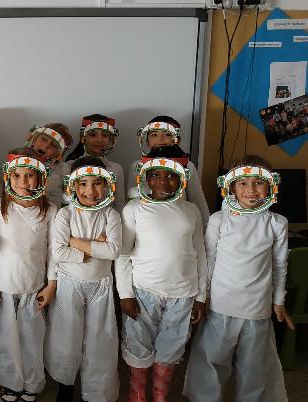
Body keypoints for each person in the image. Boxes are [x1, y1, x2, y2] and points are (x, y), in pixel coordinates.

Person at [183, 155, 291, 402]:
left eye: (258, 182)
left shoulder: (276, 223)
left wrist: (278, 300)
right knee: (211, 359)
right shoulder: (219, 220)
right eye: (243, 183)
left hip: (257, 308)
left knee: (254, 366)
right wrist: (202, 296)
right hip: (221, 304)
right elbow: (208, 260)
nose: (251, 189)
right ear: (231, 187)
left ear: (271, 184)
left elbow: (279, 264)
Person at [116, 145, 207, 402]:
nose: (163, 181)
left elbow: (200, 254)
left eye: (171, 175)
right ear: (146, 177)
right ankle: (137, 396)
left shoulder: (191, 211)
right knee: (138, 344)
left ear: (182, 178)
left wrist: (201, 296)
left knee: (171, 347)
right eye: (156, 175)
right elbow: (123, 254)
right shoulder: (134, 209)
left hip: (183, 293)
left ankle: (160, 396)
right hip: (143, 291)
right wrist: (125, 294)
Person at [0, 149, 57, 402]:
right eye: (16, 176)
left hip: (34, 284)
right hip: (4, 284)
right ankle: (10, 382)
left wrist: (51, 284)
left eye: (29, 176)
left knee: (31, 336)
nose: (23, 182)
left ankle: (32, 383)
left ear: (40, 178)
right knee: (4, 336)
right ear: (8, 177)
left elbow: (53, 250)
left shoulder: (49, 210)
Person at [46, 156, 121, 402]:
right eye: (83, 183)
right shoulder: (65, 214)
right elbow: (58, 253)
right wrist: (93, 249)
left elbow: (113, 251)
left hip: (101, 285)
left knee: (100, 339)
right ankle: (65, 386)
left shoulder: (111, 215)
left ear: (107, 185)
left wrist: (74, 242)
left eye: (97, 183)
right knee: (66, 336)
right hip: (69, 283)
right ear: (73, 185)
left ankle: (96, 393)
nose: (90, 191)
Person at [127, 116, 210, 226]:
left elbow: (198, 200)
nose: (160, 139)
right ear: (146, 141)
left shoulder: (187, 165)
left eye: (167, 134)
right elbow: (130, 198)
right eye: (154, 135)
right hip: (146, 222)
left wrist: (205, 227)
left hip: (179, 221)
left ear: (177, 140)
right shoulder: (136, 166)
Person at [63, 115, 126, 212]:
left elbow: (119, 204)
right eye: (93, 135)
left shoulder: (116, 168)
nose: (99, 140)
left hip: (108, 219)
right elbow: (64, 199)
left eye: (104, 135)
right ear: (83, 137)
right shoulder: (69, 166)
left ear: (111, 139)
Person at [26, 123, 73, 208]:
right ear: (34, 139)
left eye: (54, 145)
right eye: (44, 139)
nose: (46, 146)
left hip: (51, 213)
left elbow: (68, 198)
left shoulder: (64, 169)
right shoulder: (18, 160)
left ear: (59, 153)